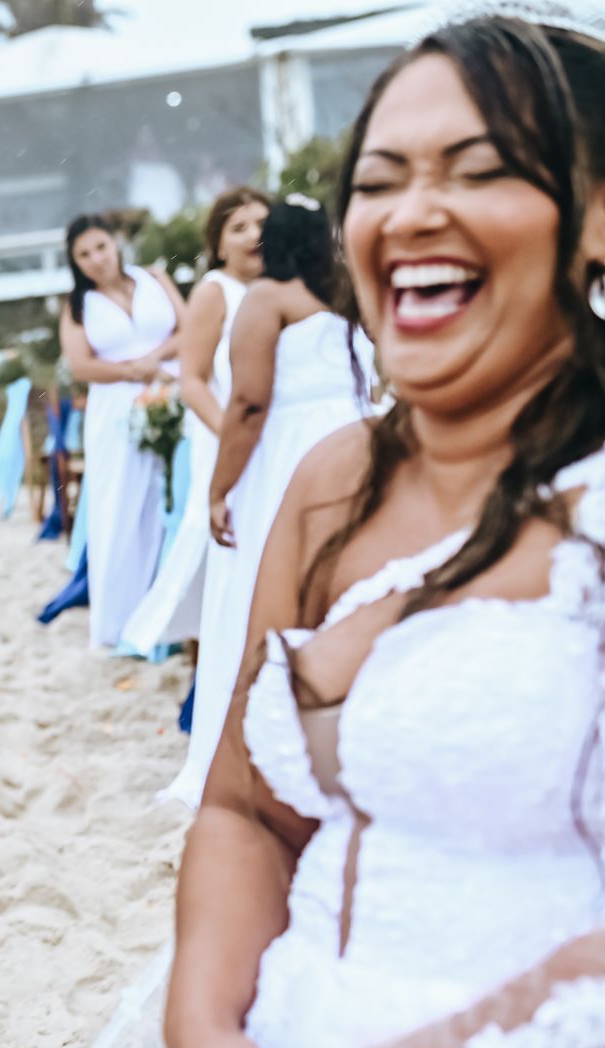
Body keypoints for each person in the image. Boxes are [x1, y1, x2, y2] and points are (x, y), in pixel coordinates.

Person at [158, 4, 605, 1048]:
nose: (412, 213)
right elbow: (246, 808)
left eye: (478, 172)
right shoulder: (331, 480)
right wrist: (200, 1035)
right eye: (378, 181)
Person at [172, 199, 375, 807]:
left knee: (258, 589)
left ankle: (255, 746)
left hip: (289, 452)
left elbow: (249, 403)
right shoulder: (348, 300)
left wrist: (220, 487)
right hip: (356, 442)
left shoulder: (267, 298)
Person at [124, 189, 271, 666]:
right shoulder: (215, 291)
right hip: (225, 433)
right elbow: (193, 379)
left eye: (262, 224)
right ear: (219, 243)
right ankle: (210, 655)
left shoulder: (284, 288)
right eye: (240, 228)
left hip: (273, 436)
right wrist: (234, 435)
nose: (254, 235)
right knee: (226, 542)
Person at [58, 213, 187, 648]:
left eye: (101, 247)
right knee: (121, 505)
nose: (96, 259)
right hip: (115, 407)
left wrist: (155, 362)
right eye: (84, 255)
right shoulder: (78, 306)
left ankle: (175, 613)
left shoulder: (155, 279)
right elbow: (81, 365)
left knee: (175, 495)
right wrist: (132, 371)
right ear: (75, 262)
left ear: (115, 244)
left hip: (172, 389)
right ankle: (123, 620)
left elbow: (189, 327)